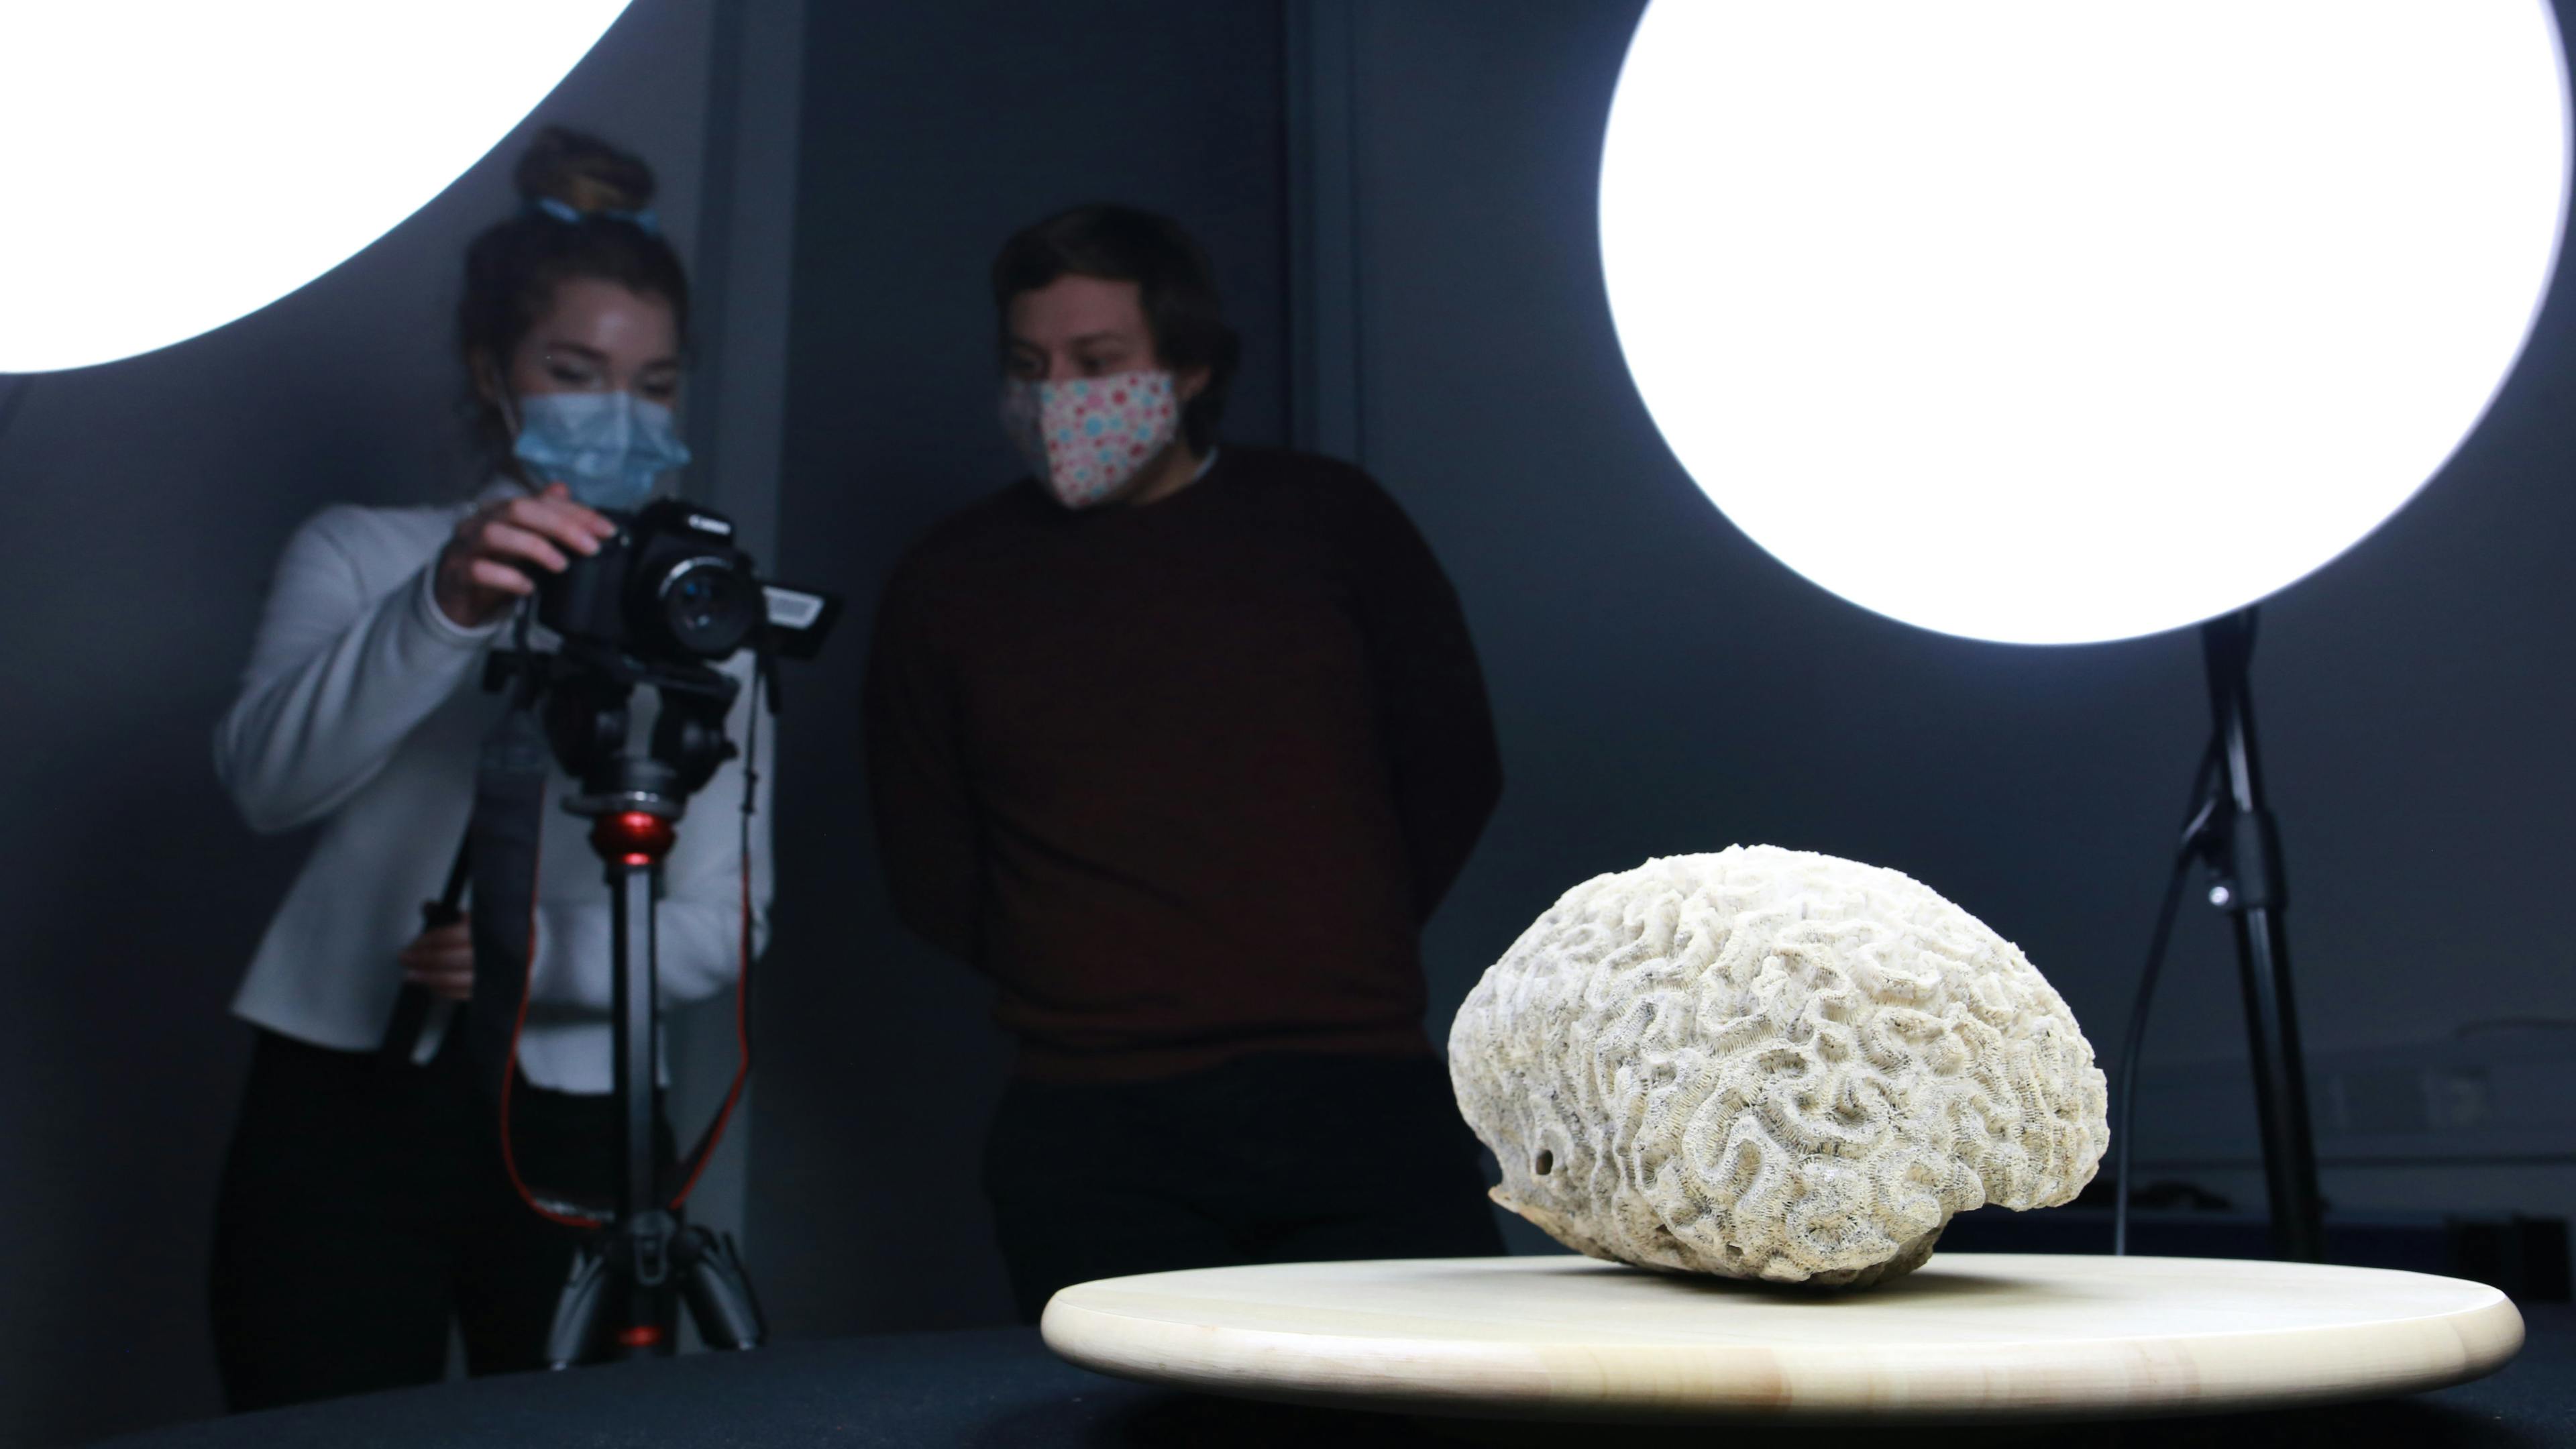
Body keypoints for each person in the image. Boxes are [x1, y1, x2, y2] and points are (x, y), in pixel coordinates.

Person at [207, 127, 771, 1409]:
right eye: (576, 371)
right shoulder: (362, 554)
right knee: (313, 1417)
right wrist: (446, 604)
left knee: (582, 1432)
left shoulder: (701, 612)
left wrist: (534, 962)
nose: (618, 415)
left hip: (586, 1106)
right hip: (344, 1086)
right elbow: (266, 783)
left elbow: (726, 920)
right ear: (495, 371)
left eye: (655, 383)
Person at [866, 203, 1505, 1322]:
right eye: (1029, 364)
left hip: (1360, 1099)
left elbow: (1453, 766)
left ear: (1191, 366)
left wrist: (1318, 938)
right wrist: (1087, 965)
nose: (1056, 394)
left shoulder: (1329, 523)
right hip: (1089, 1120)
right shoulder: (951, 578)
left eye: (1097, 361)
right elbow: (924, 855)